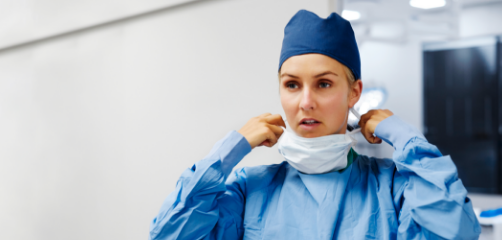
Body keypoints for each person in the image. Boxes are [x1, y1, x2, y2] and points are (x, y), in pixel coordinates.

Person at [148, 9, 480, 240]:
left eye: (323, 84)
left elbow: (455, 232)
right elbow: (168, 235)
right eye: (292, 85)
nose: (305, 101)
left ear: (354, 92)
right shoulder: (249, 189)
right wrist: (230, 151)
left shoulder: (391, 187)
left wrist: (405, 137)